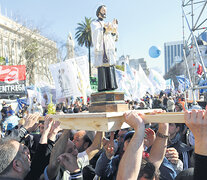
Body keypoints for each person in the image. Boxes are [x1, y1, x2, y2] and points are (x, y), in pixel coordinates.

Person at [91, 5, 118, 92]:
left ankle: (112, 85)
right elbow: (96, 33)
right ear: (99, 12)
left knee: (110, 66)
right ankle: (103, 87)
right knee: (102, 67)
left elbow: (112, 37)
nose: (105, 12)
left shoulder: (106, 23)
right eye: (103, 10)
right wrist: (104, 29)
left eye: (105, 11)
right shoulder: (95, 23)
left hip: (108, 48)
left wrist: (114, 30)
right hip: (101, 49)